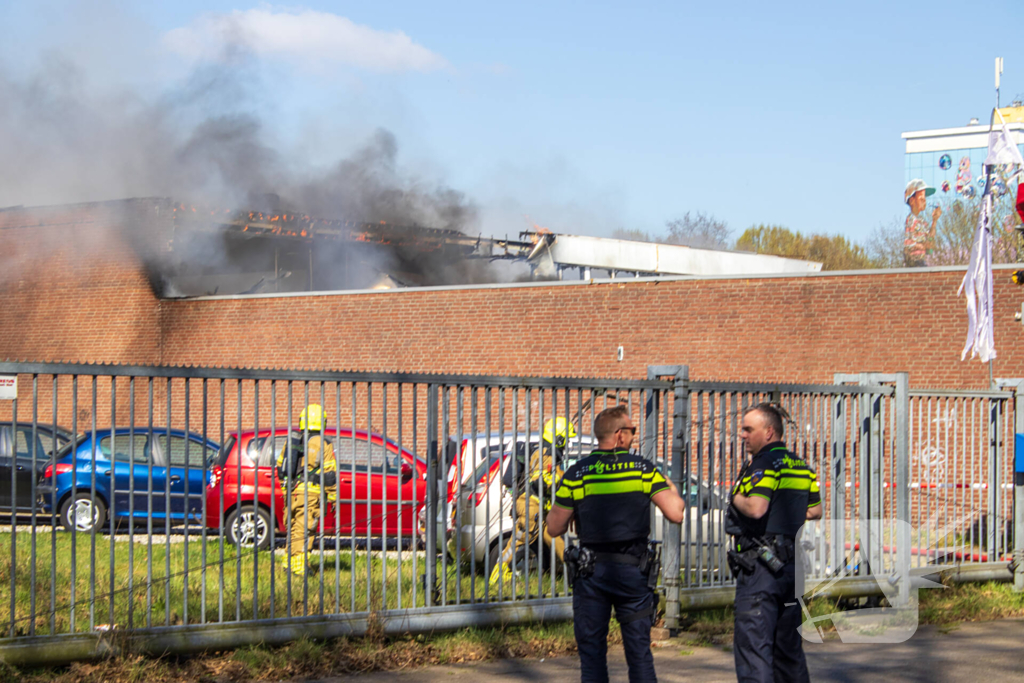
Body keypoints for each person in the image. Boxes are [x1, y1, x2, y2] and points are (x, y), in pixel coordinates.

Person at [546, 405, 686, 683]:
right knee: (639, 655)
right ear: (620, 435)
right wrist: (667, 484)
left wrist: (576, 510)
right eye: (632, 431)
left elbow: (553, 527)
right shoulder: (643, 470)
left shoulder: (577, 473)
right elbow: (676, 513)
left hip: (591, 575)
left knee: (593, 656)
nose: (634, 436)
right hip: (633, 575)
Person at [728, 403, 821, 683]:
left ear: (769, 432)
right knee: (789, 653)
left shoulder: (763, 463)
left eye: (748, 429)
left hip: (761, 570)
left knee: (755, 653)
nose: (742, 435)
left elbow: (756, 508)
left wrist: (735, 497)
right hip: (791, 568)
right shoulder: (801, 465)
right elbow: (815, 511)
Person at [489, 417, 571, 588]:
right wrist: (559, 479)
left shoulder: (544, 450)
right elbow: (540, 480)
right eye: (566, 439)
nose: (566, 444)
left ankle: (574, 571)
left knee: (555, 538)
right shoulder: (546, 453)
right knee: (520, 539)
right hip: (530, 505)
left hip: (539, 506)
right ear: (559, 438)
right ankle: (498, 574)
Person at [276, 404, 338, 577]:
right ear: (322, 422)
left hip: (292, 492)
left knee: (294, 527)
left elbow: (280, 467)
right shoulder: (324, 443)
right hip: (310, 494)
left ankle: (288, 562)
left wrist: (285, 490)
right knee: (305, 529)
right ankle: (299, 566)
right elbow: (329, 473)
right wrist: (333, 496)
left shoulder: (292, 440)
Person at [904, 178, 941, 267]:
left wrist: (934, 221)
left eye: (924, 198)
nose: (924, 201)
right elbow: (907, 247)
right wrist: (924, 245)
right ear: (912, 201)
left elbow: (930, 249)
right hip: (913, 264)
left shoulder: (922, 223)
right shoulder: (911, 221)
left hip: (921, 263)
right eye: (921, 198)